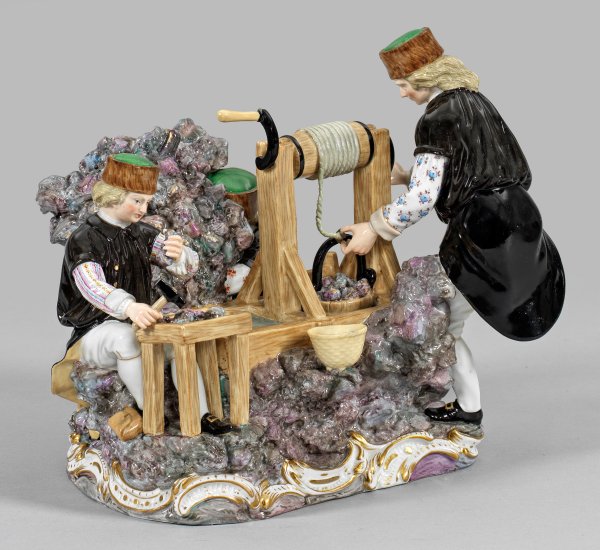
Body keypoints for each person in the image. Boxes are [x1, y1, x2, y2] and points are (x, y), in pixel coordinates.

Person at [341, 28, 565, 424]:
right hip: (520, 217)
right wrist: (408, 175)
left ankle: (468, 408)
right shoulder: (477, 103)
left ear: (425, 78)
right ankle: (467, 405)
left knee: (445, 325)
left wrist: (373, 228)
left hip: (483, 233)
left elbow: (423, 199)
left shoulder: (435, 119)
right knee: (453, 320)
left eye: (404, 84)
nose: (402, 93)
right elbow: (475, 168)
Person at [57, 153, 233, 435]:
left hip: (137, 321)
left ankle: (201, 414)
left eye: (147, 202)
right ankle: (151, 412)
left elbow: (184, 266)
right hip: (94, 330)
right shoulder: (83, 239)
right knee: (126, 339)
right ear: (113, 196)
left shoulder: (141, 233)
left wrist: (179, 254)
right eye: (137, 200)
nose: (143, 208)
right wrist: (129, 307)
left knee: (178, 345)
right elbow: (91, 285)